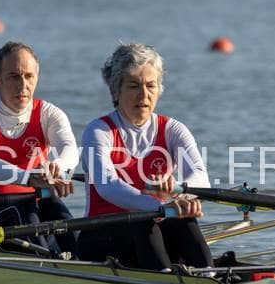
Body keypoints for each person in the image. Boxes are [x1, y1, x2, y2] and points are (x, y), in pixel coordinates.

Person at [78, 43, 214, 271]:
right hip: (102, 237)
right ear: (116, 91)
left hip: (152, 231)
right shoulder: (98, 131)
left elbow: (200, 177)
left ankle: (209, 276)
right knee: (143, 219)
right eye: (134, 86)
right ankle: (166, 279)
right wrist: (158, 205)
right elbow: (107, 185)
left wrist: (182, 193)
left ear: (159, 89)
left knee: (184, 219)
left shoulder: (173, 130)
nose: (144, 94)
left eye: (151, 85)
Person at [0, 41, 78, 256]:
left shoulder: (49, 114)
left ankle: (84, 261)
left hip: (31, 209)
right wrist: (29, 178)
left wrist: (58, 167)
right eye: (14, 76)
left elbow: (70, 150)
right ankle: (47, 263)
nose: (23, 85)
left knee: (60, 213)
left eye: (29, 76)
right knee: (24, 210)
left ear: (36, 78)